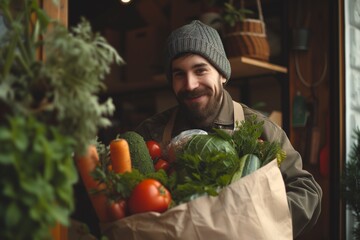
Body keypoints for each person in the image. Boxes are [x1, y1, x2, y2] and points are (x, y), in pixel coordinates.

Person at [135, 20, 322, 239]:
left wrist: (259, 225)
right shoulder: (151, 132)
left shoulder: (260, 129)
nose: (190, 84)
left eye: (200, 70)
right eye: (179, 74)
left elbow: (307, 190)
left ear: (222, 74)